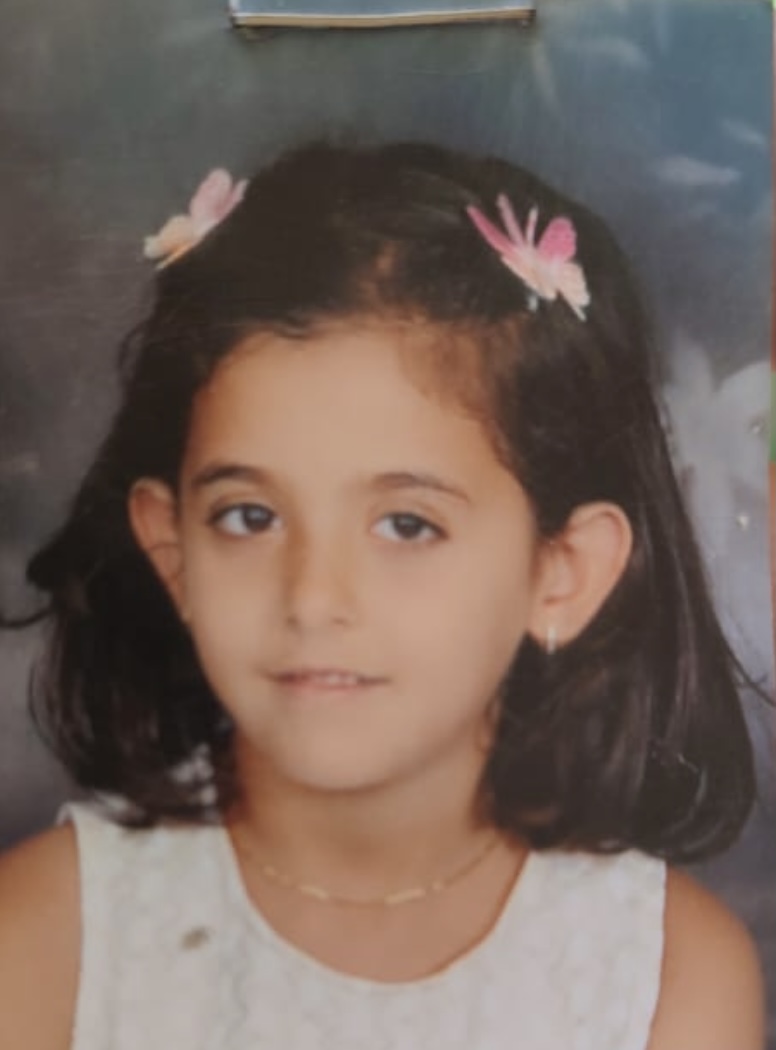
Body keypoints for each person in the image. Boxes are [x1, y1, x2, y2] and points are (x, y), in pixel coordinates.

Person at [0, 141, 765, 1049]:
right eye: (249, 517)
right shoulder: (49, 940)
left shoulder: (661, 979)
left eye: (407, 525)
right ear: (173, 554)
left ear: (561, 574)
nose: (314, 598)